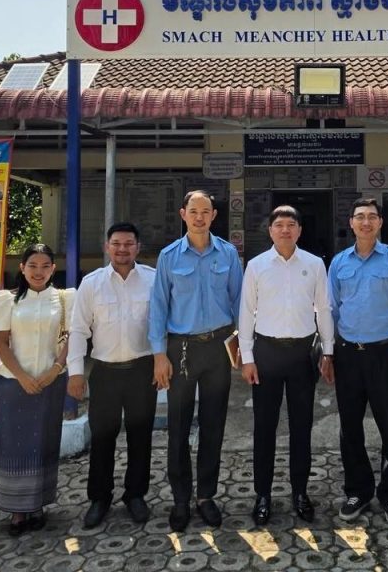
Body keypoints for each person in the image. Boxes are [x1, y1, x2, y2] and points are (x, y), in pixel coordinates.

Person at [150, 190, 243, 531]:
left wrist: (243, 348)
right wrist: (159, 355)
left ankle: (206, 496)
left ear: (214, 215)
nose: (200, 217)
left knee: (213, 424)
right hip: (182, 349)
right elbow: (158, 307)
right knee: (178, 425)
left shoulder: (228, 253)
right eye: (194, 211)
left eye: (206, 211)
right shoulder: (169, 257)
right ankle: (180, 499)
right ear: (183, 214)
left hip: (218, 346)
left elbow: (239, 301)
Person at [238, 205, 334, 525]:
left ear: (299, 230)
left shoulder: (314, 264)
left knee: (301, 427)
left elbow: (324, 309)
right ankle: (263, 494)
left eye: (291, 224)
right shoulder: (256, 266)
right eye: (279, 225)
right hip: (266, 354)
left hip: (302, 356)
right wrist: (247, 358)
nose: (285, 230)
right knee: (264, 428)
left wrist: (328, 352)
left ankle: (300, 492)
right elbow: (246, 312)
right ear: (270, 230)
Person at [327, 197, 388, 525]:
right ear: (351, 222)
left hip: (385, 354)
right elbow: (331, 310)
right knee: (350, 427)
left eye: (371, 217)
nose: (366, 222)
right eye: (360, 217)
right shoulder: (339, 262)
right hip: (348, 355)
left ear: (380, 222)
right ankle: (358, 491)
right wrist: (328, 352)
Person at [67, 222, 157, 529]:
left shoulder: (152, 280)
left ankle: (136, 495)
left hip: (142, 371)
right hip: (104, 373)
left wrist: (163, 362)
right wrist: (75, 373)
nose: (122, 249)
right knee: (103, 438)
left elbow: (162, 324)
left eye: (128, 244)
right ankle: (99, 498)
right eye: (116, 243)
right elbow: (78, 330)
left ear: (138, 247)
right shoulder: (91, 283)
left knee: (140, 436)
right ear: (107, 247)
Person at [0, 243, 71, 536]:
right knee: (14, 445)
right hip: (14, 384)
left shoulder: (64, 299)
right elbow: (1, 343)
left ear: (53, 269)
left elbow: (72, 337)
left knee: (44, 442)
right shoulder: (7, 300)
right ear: (22, 268)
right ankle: (17, 511)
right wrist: (21, 376)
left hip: (51, 381)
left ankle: (38, 506)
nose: (39, 272)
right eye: (33, 266)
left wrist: (56, 369)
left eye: (45, 266)